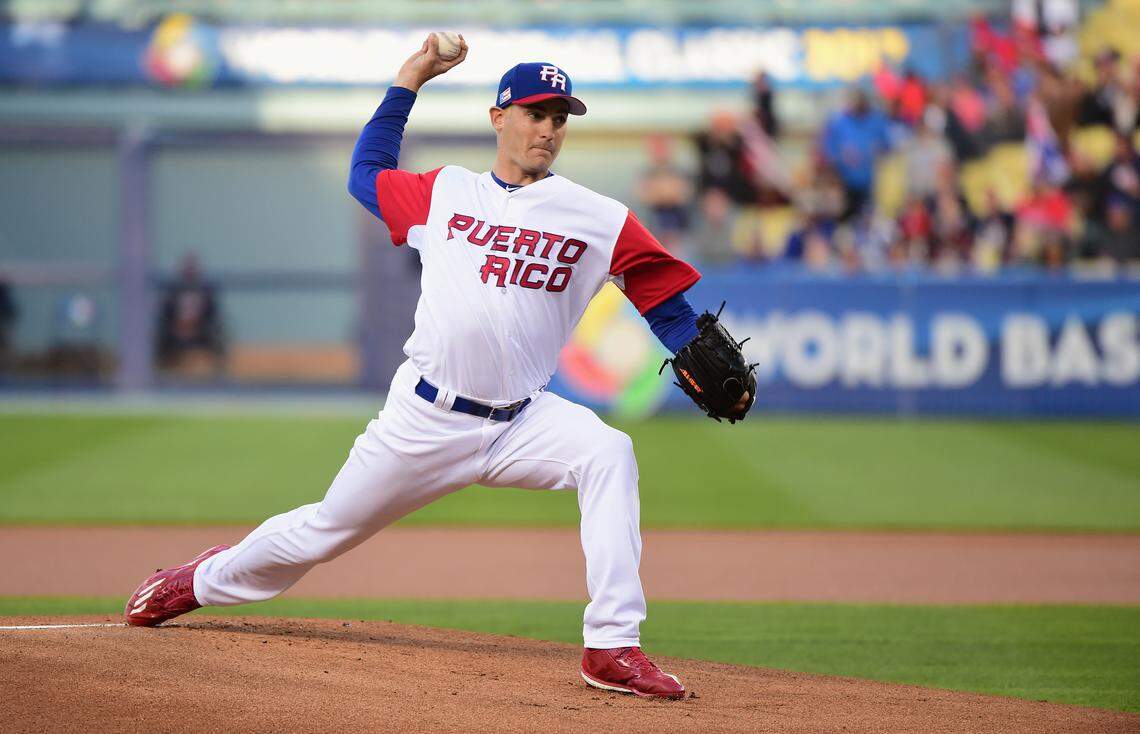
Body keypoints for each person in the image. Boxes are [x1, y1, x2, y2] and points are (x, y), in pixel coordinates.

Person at [124, 36, 753, 700]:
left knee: (609, 453)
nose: (548, 128)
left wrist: (692, 352)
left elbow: (664, 300)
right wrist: (410, 79)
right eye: (536, 113)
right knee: (322, 531)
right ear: (498, 118)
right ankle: (197, 582)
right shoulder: (443, 192)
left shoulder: (598, 219)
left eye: (560, 116)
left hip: (523, 420)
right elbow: (364, 173)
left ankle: (611, 647)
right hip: (425, 417)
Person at [155, 253, 225, 372]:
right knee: (158, 339)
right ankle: (159, 373)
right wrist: (176, 328)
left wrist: (196, 328)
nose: (190, 271)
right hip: (175, 332)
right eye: (187, 268)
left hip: (200, 332)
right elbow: (165, 314)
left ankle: (219, 374)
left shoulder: (206, 290)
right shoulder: (172, 290)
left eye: (193, 268)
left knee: (219, 338)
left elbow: (213, 315)